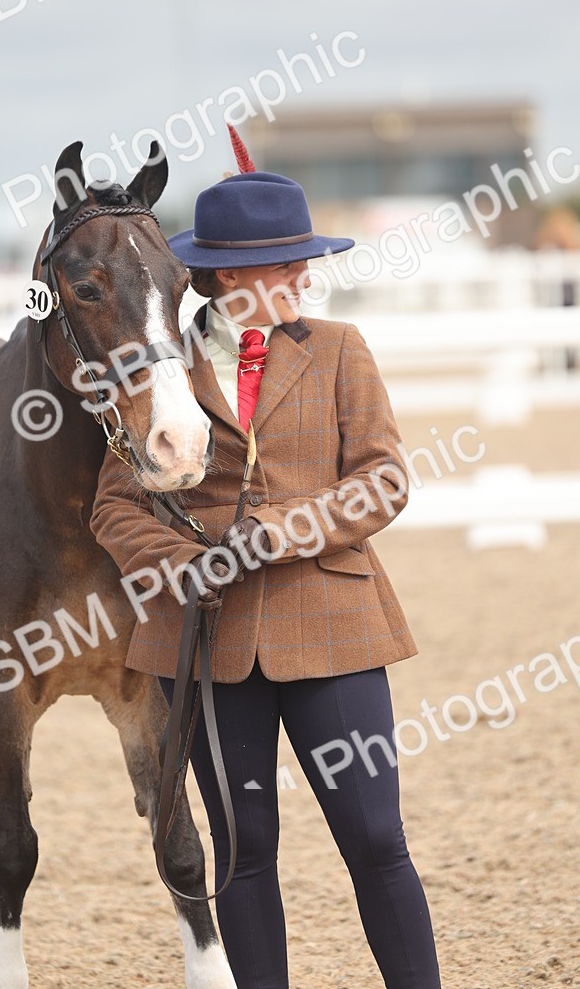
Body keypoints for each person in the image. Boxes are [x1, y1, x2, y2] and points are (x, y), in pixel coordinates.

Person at [89, 128, 442, 989]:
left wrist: (283, 531)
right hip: (206, 641)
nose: (305, 277)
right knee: (244, 853)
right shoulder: (154, 371)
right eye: (288, 264)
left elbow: (384, 481)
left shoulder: (340, 352)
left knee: (375, 841)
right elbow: (113, 505)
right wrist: (180, 561)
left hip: (333, 628)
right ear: (228, 276)